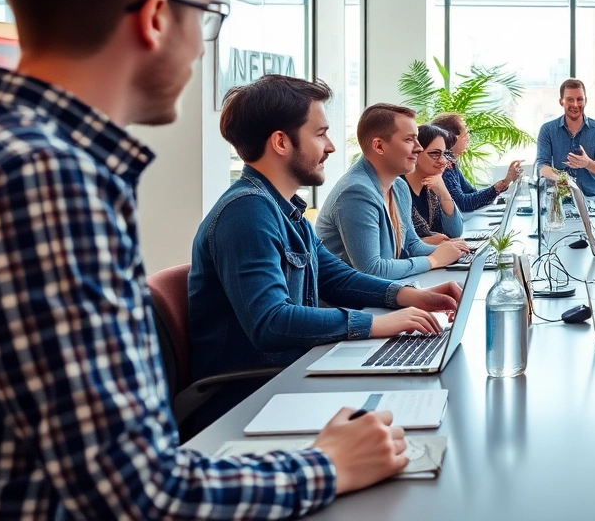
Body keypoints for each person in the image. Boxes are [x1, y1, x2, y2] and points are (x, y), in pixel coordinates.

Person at [0, 0, 407, 518]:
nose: (203, 49)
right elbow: (136, 492)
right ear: (155, 17)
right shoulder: (46, 180)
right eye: (205, 16)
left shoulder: (19, 155)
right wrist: (324, 467)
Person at [190, 77, 465, 415]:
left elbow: (336, 277)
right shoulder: (247, 211)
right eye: (320, 134)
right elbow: (271, 321)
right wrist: (377, 325)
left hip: (294, 372)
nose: (331, 146)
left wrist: (410, 296)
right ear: (280, 142)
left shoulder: (284, 208)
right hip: (253, 397)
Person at [316, 104, 470, 279]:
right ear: (379, 146)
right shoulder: (355, 193)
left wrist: (454, 250)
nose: (419, 148)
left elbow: (412, 245)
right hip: (350, 303)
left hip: (380, 295)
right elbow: (371, 270)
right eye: (409, 140)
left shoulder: (398, 186)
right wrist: (433, 260)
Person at [431, 111, 523, 212]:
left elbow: (471, 192)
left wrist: (505, 182)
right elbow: (463, 204)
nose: (468, 138)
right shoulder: (443, 166)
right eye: (465, 133)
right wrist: (501, 185)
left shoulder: (451, 162)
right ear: (452, 137)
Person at [536, 78, 595, 197]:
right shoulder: (547, 130)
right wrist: (562, 180)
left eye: (580, 99)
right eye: (570, 99)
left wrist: (587, 163)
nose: (575, 104)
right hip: (562, 198)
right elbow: (541, 166)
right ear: (561, 101)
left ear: (586, 101)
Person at [404, 123, 465, 240]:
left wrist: (443, 191)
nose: (443, 161)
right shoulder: (397, 188)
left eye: (444, 154)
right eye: (435, 154)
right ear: (415, 152)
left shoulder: (430, 188)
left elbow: (455, 231)